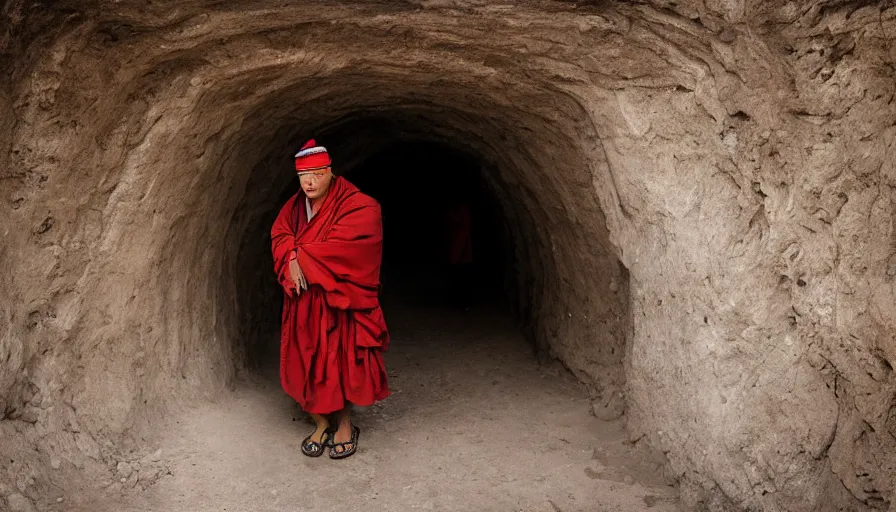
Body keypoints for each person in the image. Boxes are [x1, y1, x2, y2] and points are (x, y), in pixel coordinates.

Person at [271, 139, 390, 459]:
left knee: (339, 362)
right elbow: (280, 234)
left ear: (330, 172)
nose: (309, 182)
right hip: (303, 303)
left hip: (339, 303)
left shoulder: (358, 205)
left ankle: (345, 424)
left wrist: (301, 256)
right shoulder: (294, 207)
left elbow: (355, 246)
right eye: (303, 176)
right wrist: (290, 254)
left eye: (316, 174)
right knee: (306, 361)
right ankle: (321, 421)